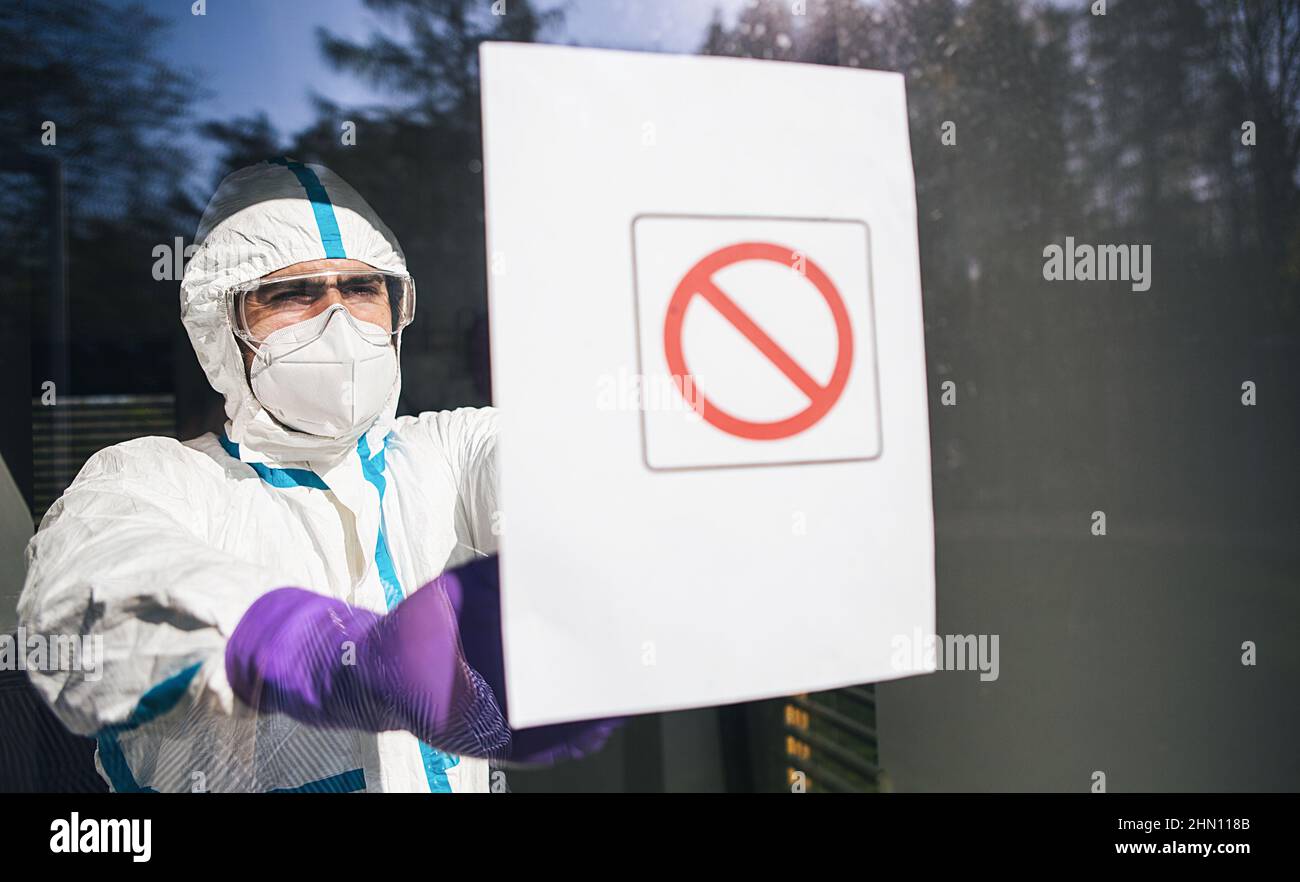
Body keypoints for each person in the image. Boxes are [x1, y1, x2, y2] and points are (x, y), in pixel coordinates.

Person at [18, 158, 619, 793]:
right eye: (291, 293)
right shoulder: (157, 478)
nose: (338, 316)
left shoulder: (449, 450)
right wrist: (303, 649)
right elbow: (87, 599)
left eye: (362, 289)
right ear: (225, 331)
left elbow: (583, 472)